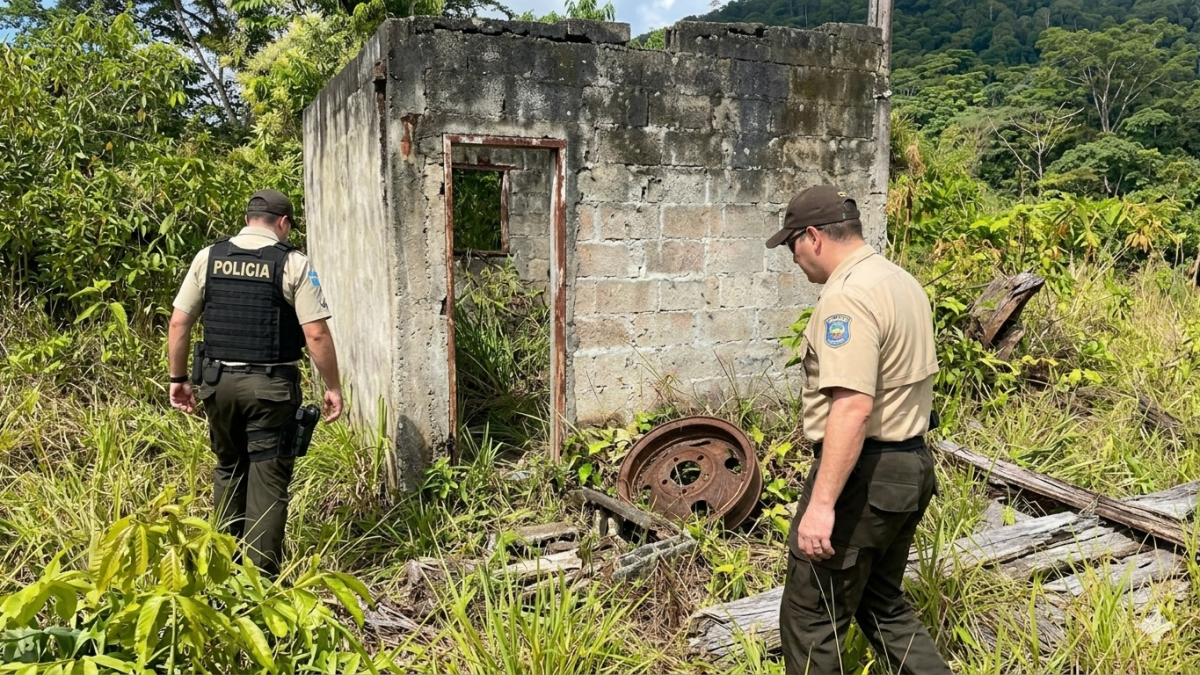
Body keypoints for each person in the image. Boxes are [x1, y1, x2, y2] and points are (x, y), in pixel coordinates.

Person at [765, 185, 950, 675]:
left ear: (813, 237)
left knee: (811, 619)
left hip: (864, 478)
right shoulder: (900, 281)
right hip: (910, 466)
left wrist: (822, 506)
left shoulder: (847, 297)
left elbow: (851, 407)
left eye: (791, 245)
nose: (793, 257)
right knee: (881, 604)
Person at [167, 189, 343, 576]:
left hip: (216, 384)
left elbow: (180, 321)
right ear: (283, 223)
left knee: (229, 467)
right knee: (267, 477)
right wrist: (333, 387)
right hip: (269, 389)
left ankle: (218, 573)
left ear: (249, 219)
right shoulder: (292, 263)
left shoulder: (208, 257)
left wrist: (177, 378)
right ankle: (257, 584)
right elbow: (315, 334)